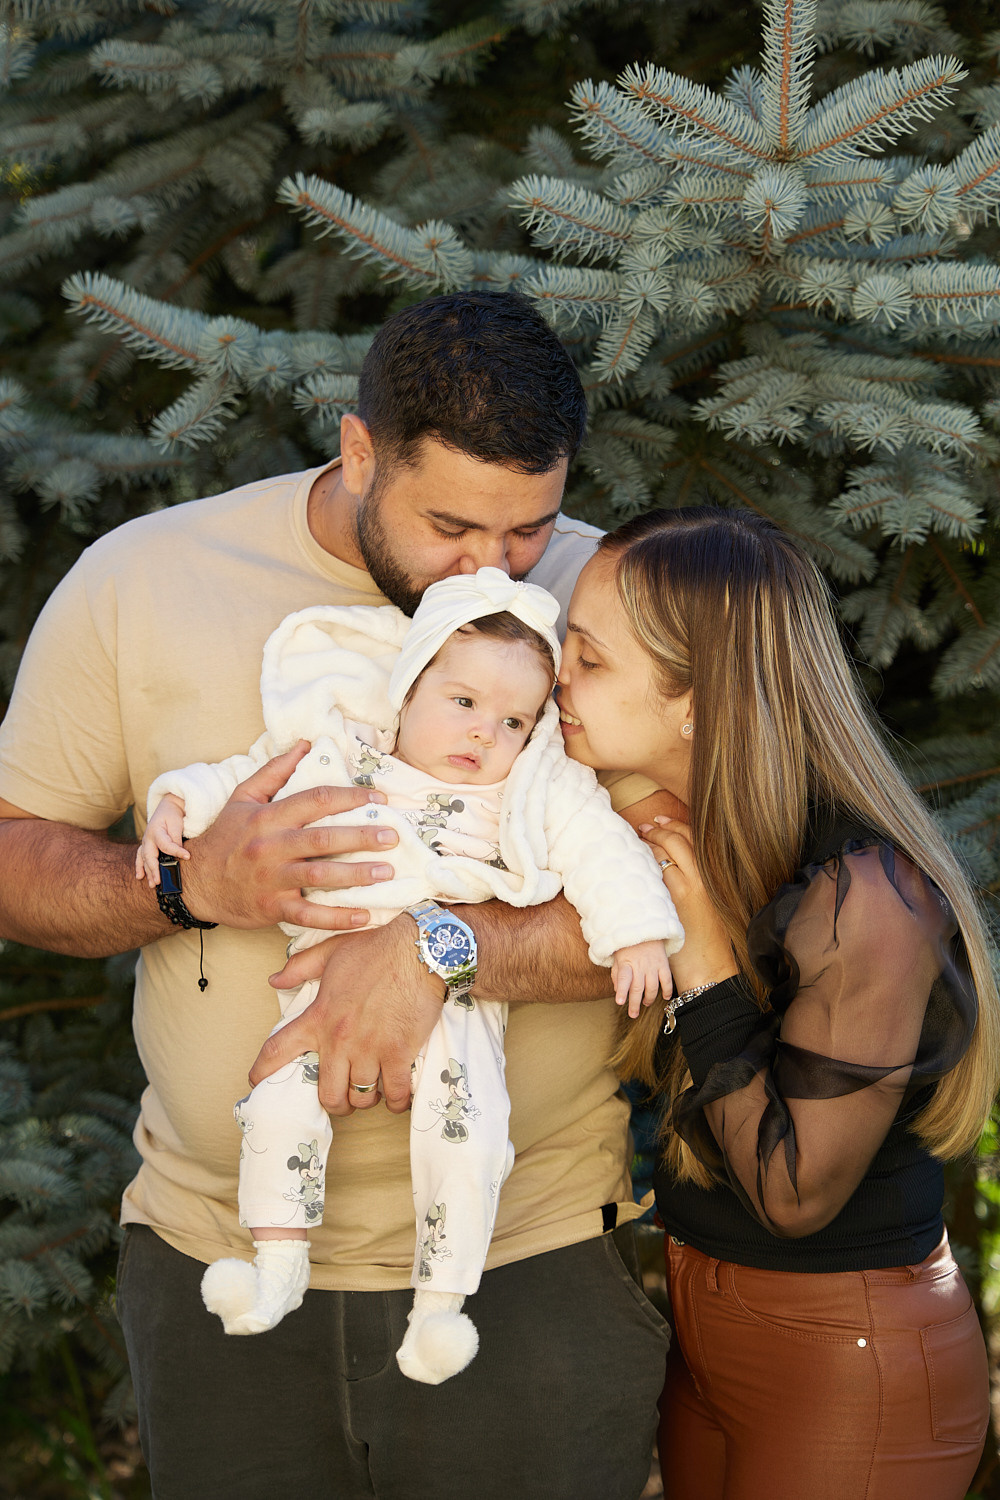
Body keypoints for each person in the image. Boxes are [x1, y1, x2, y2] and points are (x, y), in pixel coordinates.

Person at [0, 291, 674, 1500]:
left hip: (532, 1265)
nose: (492, 572)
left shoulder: (609, 602)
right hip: (217, 1266)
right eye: (454, 525)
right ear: (360, 452)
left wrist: (440, 947)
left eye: (529, 527)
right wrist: (184, 888)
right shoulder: (145, 579)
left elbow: (698, 886)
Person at [136, 568, 680, 1383]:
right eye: (462, 703)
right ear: (411, 686)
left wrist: (635, 934)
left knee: (467, 1135)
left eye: (513, 720)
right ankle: (276, 1265)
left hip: (459, 996)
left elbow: (607, 852)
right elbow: (239, 779)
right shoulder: (340, 748)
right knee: (279, 1105)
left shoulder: (534, 786)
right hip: (321, 991)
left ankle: (439, 1307)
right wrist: (176, 808)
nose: (483, 735)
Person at [556, 505, 998, 1500]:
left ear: (698, 702)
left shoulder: (867, 898)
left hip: (848, 1357)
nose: (556, 683)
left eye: (588, 660)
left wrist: (708, 963)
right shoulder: (692, 820)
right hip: (703, 1333)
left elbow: (793, 1194)